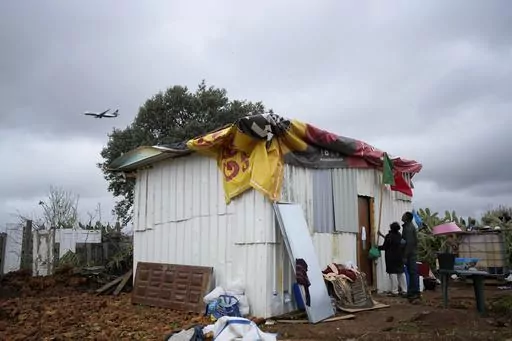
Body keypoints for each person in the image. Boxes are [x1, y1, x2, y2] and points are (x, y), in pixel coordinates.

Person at [378, 222, 407, 296]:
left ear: (391, 228)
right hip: (400, 257)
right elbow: (400, 243)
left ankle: (395, 291)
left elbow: (385, 247)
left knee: (393, 274)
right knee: (401, 273)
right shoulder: (400, 236)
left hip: (391, 257)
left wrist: (377, 247)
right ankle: (404, 290)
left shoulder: (389, 236)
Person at [401, 211, 420, 301]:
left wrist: (405, 256)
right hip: (411, 253)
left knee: (413, 273)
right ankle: (412, 292)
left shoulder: (408, 228)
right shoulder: (408, 226)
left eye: (404, 215)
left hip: (410, 254)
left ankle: (414, 292)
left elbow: (409, 243)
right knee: (412, 273)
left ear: (407, 218)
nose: (402, 216)